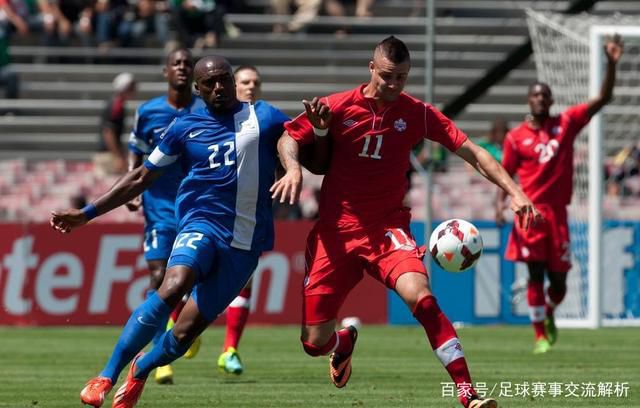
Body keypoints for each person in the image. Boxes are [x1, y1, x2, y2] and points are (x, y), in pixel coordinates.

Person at [271, 36, 538, 408]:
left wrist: (515, 192)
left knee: (423, 299)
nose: (394, 85)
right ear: (371, 68)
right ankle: (343, 342)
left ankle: (467, 392)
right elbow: (288, 138)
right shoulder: (337, 106)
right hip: (335, 233)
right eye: (387, 76)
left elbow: (472, 151)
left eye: (402, 77)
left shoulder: (417, 113)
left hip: (388, 230)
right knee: (314, 343)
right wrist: (294, 168)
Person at [51, 55, 288, 408]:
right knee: (173, 283)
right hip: (200, 224)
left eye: (224, 79)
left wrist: (294, 165)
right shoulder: (183, 127)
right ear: (199, 89)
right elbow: (140, 177)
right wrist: (87, 214)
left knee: (185, 332)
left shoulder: (264, 116)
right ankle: (106, 374)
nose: (219, 87)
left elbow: (297, 140)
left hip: (245, 241)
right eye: (210, 82)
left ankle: (141, 368)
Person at [496, 35, 623, 355]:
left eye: (545, 95)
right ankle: (540, 334)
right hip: (529, 214)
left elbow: (604, 98)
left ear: (551, 100)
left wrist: (611, 63)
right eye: (535, 94)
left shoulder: (565, 124)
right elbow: (504, 175)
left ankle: (548, 311)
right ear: (529, 100)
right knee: (535, 275)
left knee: (560, 283)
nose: (540, 98)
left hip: (558, 214)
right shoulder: (515, 138)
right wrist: (500, 206)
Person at [126, 48, 204, 385]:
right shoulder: (148, 112)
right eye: (177, 64)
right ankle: (160, 353)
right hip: (158, 208)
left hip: (197, 208)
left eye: (188, 63)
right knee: (159, 278)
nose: (183, 68)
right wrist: (131, 190)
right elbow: (137, 154)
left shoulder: (205, 112)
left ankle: (187, 325)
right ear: (166, 72)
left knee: (187, 281)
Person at [213, 64, 263, 375]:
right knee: (190, 276)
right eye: (245, 81)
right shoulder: (215, 117)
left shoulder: (267, 119)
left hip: (248, 215)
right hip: (211, 211)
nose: (251, 86)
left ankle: (229, 349)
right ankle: (174, 332)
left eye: (256, 82)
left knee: (245, 280)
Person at [93, 72, 137, 176]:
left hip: (109, 153)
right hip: (107, 155)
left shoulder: (116, 104)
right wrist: (117, 156)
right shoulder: (116, 105)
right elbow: (108, 132)